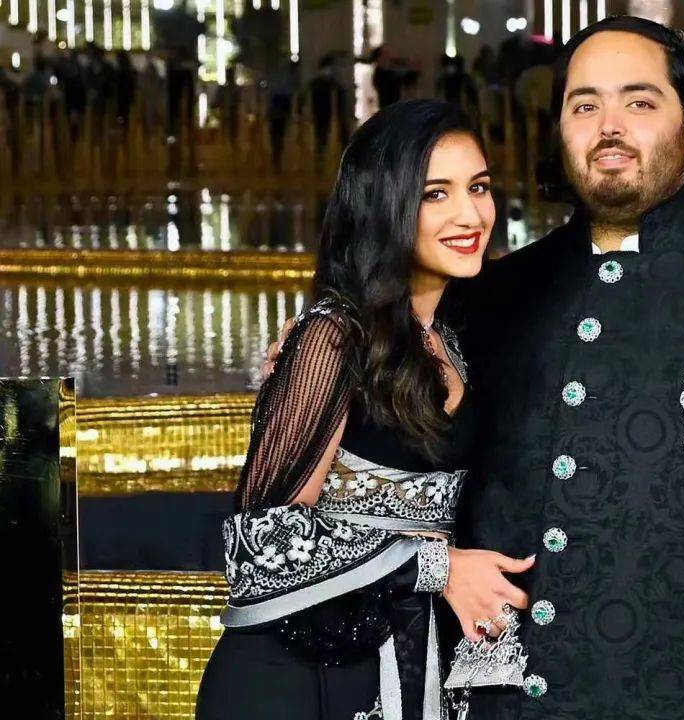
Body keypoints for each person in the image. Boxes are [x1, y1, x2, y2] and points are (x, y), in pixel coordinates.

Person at [266, 17, 684, 720]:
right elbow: (382, 425)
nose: (609, 127)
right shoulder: (488, 299)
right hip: (508, 704)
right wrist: (316, 353)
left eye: (640, 101)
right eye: (584, 105)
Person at [196, 99, 533, 720]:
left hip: (407, 666)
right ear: (383, 204)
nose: (470, 214)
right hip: (299, 679)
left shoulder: (454, 338)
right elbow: (257, 546)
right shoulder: (333, 337)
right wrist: (436, 567)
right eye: (435, 194)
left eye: (479, 187)